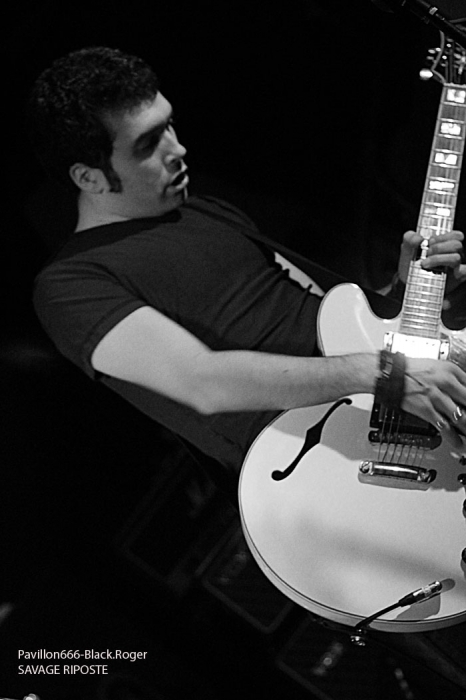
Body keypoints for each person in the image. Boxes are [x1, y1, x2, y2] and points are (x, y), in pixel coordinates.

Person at [28, 46, 466, 697]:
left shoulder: (205, 212)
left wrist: (408, 295)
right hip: (349, 491)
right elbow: (203, 381)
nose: (176, 149)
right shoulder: (72, 284)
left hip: (410, 409)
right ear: (89, 177)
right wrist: (380, 372)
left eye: (169, 125)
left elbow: (335, 326)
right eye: (147, 144)